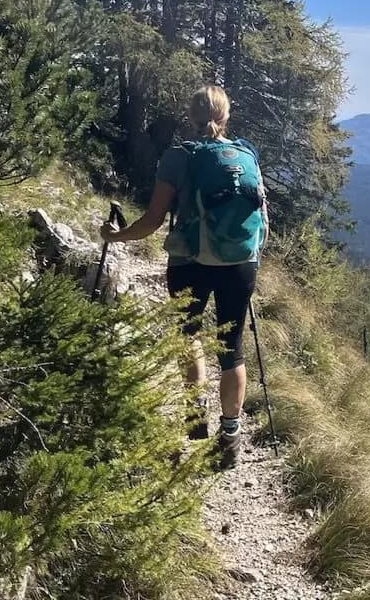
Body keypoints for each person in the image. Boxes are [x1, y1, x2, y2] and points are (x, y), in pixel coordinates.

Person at [100, 85, 268, 468]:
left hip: (189, 261)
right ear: (227, 116)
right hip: (241, 264)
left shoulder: (178, 157)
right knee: (233, 348)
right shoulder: (247, 154)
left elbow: (153, 220)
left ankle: (196, 414)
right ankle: (231, 436)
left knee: (188, 335)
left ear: (190, 116)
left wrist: (115, 236)